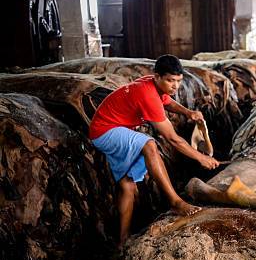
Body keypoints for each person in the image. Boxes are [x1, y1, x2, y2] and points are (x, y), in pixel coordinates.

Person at [89, 54, 219, 245]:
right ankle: (175, 201)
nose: (175, 86)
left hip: (113, 130)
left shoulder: (154, 86)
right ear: (156, 76)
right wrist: (201, 158)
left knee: (127, 184)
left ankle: (122, 240)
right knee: (149, 144)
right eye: (170, 80)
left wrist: (188, 112)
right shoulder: (147, 94)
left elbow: (167, 102)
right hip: (105, 132)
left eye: (178, 81)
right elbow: (173, 140)